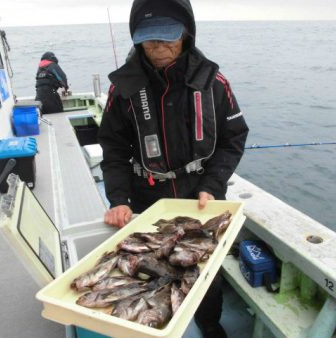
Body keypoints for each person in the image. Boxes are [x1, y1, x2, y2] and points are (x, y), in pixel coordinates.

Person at [98, 0, 249, 337]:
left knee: (207, 273)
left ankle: (209, 324)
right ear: (137, 40)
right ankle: (156, 326)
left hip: (201, 195)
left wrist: (213, 182)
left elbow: (233, 138)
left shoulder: (214, 82)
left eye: (168, 38)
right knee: (148, 268)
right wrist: (118, 199)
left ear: (186, 35)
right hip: (147, 198)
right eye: (150, 40)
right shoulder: (123, 88)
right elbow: (114, 148)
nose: (159, 48)